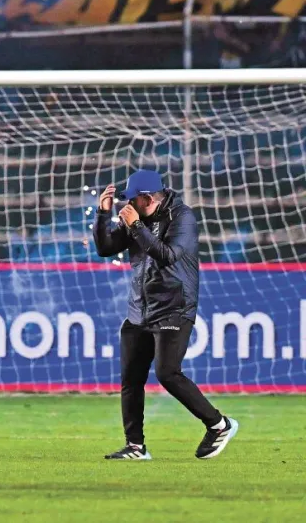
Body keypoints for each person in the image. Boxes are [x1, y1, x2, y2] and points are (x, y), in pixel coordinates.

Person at [94, 169, 238, 460]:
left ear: (147, 198)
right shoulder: (137, 217)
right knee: (131, 380)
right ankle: (135, 446)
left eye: (131, 200)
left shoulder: (181, 217)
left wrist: (135, 227)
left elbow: (168, 255)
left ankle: (219, 424)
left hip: (174, 306)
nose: (127, 205)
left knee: (167, 373)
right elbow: (105, 248)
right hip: (140, 308)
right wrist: (102, 216)